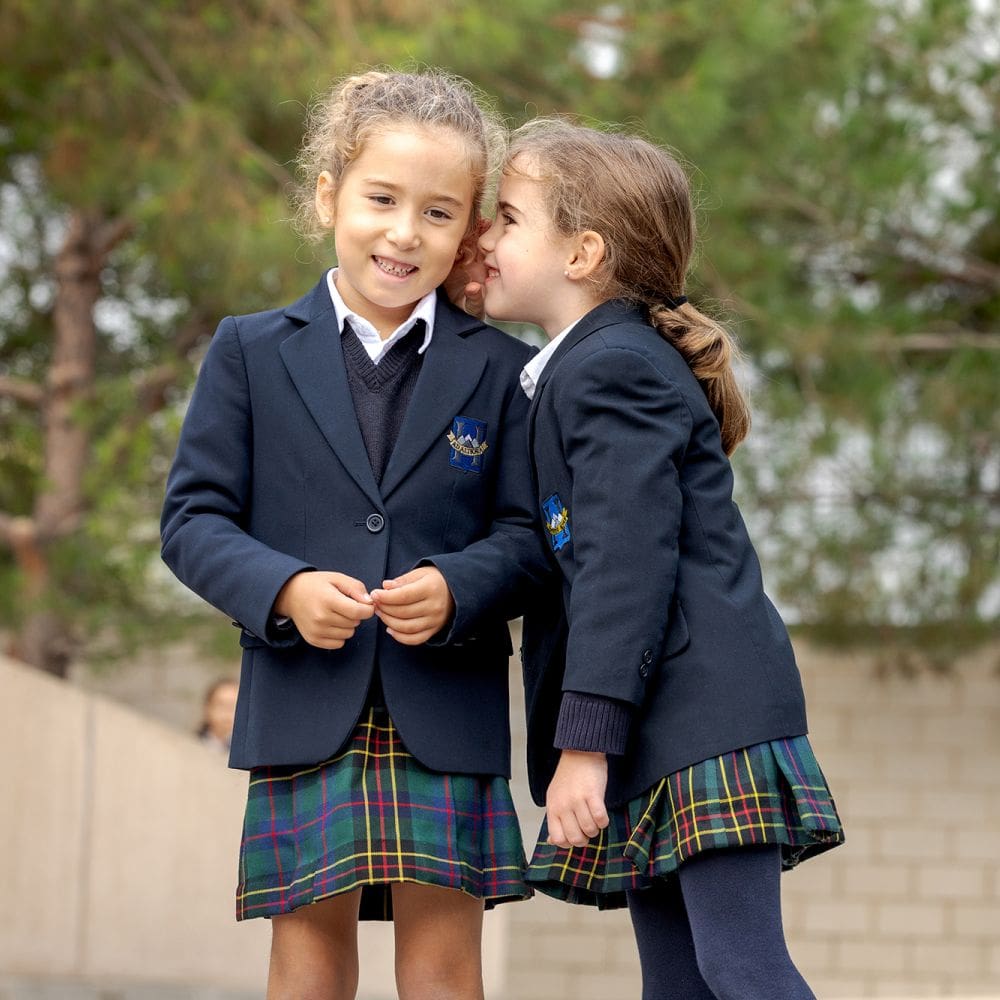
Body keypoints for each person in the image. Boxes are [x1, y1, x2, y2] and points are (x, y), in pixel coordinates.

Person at [160, 70, 548, 1000]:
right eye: (381, 199)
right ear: (330, 193)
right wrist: (283, 589)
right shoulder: (249, 350)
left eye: (439, 212)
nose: (404, 233)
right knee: (307, 960)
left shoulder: (506, 370)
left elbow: (532, 536)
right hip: (303, 700)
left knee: (446, 966)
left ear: (469, 231)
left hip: (446, 710)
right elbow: (191, 521)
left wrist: (462, 586)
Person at [476, 118, 844, 1000]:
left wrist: (584, 746)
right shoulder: (582, 367)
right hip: (667, 724)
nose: (483, 237)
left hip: (699, 716)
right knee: (677, 982)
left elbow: (624, 566)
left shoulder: (610, 369)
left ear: (583, 252)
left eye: (508, 217)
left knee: (741, 967)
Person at [196, 677, 238, 752]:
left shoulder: (248, 752)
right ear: (207, 708)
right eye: (222, 705)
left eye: (234, 706)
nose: (228, 711)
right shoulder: (191, 743)